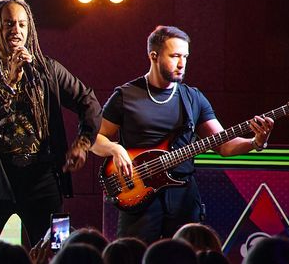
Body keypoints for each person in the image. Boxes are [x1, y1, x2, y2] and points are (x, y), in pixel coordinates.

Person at [92, 25, 274, 243]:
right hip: (138, 197)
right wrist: (114, 148)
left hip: (183, 199)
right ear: (154, 56)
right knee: (134, 259)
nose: (182, 64)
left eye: (185, 56)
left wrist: (255, 142)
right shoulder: (126, 96)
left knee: (185, 258)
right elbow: (93, 139)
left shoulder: (193, 98)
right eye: (175, 56)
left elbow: (224, 145)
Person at [0, 0, 101, 245]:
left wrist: (83, 143)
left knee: (56, 250)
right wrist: (11, 83)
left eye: (22, 24)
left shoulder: (47, 69)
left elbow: (88, 101)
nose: (16, 30)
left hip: (41, 182)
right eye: (9, 24)